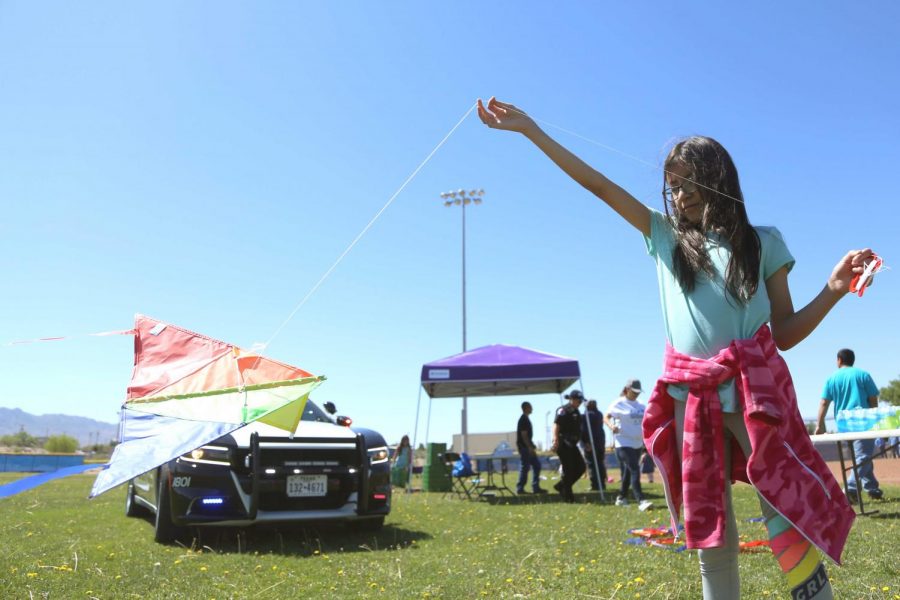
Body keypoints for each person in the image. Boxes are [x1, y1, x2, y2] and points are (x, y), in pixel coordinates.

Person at [478, 97, 868, 599]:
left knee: (783, 507)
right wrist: (532, 130)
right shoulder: (663, 237)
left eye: (687, 182)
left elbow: (786, 332)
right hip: (692, 401)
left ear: (717, 178)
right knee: (710, 523)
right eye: (672, 185)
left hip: (755, 397)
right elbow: (597, 185)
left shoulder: (764, 242)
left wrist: (834, 289)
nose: (678, 194)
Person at [816, 348, 882, 500]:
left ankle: (872, 488)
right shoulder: (862, 374)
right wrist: (874, 417)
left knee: (861, 456)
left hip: (843, 424)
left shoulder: (831, 378)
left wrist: (820, 424)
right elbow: (873, 398)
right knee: (863, 456)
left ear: (839, 360)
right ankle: (851, 488)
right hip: (863, 421)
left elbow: (824, 402)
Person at [605, 380, 652, 511]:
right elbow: (606, 417)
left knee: (628, 471)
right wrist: (611, 426)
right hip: (623, 442)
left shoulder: (641, 404)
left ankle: (621, 498)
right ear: (627, 389)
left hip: (637, 443)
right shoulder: (618, 403)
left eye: (638, 392)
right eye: (634, 392)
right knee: (635, 469)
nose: (636, 395)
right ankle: (641, 500)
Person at [551, 389, 586, 503]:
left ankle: (562, 486)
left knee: (581, 467)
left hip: (573, 444)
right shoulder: (563, 410)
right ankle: (568, 497)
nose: (580, 403)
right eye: (578, 400)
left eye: (581, 401)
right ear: (572, 399)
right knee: (568, 469)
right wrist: (555, 438)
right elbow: (556, 424)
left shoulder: (577, 412)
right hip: (563, 442)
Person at [515, 401, 547, 494]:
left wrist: (532, 446)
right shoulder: (523, 419)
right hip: (525, 448)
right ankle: (520, 488)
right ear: (526, 408)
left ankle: (535, 487)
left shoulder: (526, 419)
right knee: (525, 467)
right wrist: (529, 447)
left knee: (536, 465)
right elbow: (524, 435)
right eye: (530, 407)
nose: (532, 409)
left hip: (527, 447)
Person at [581, 399, 607, 492]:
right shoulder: (599, 414)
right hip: (600, 442)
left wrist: (585, 442)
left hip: (591, 442)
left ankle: (595, 484)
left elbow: (584, 430)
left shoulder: (586, 416)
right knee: (600, 463)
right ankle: (602, 484)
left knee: (592, 464)